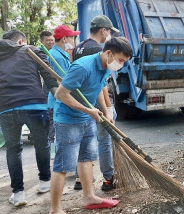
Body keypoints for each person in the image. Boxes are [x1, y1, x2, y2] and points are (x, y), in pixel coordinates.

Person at [49, 37, 132, 213]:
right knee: (63, 165)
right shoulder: (83, 67)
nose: (121, 65)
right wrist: (89, 111)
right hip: (67, 120)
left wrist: (107, 110)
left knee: (87, 158)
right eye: (121, 60)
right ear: (109, 53)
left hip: (86, 118)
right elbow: (61, 95)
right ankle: (55, 209)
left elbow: (100, 89)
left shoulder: (105, 67)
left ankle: (89, 197)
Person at [0, 30, 59, 206]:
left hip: (6, 109)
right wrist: (64, 99)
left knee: (13, 150)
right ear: (21, 41)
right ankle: (45, 182)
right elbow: (50, 78)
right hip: (35, 105)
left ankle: (18, 194)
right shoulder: (30, 51)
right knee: (42, 143)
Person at [72, 15, 120, 191]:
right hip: (95, 103)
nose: (109, 36)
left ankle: (80, 179)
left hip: (81, 102)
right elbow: (101, 85)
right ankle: (108, 178)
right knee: (104, 141)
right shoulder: (98, 50)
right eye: (109, 32)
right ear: (103, 31)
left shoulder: (78, 48)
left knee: (83, 140)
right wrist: (108, 108)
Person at [47, 25, 81, 160]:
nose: (73, 41)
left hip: (57, 100)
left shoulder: (61, 54)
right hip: (58, 102)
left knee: (57, 135)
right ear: (64, 39)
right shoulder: (58, 57)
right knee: (58, 135)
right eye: (72, 38)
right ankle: (57, 160)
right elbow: (65, 81)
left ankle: (57, 159)